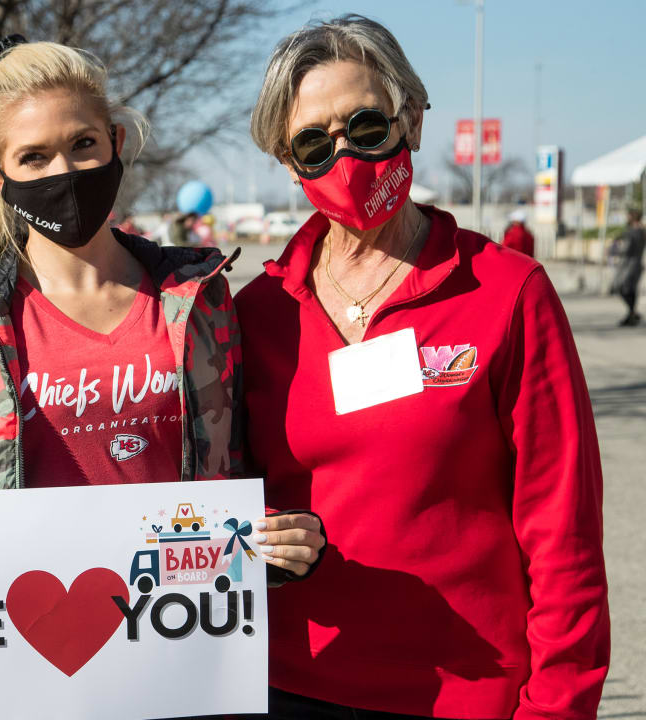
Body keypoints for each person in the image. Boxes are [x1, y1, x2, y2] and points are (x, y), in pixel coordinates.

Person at [0, 36, 324, 624]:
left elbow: (235, 480)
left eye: (83, 144)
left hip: (182, 661)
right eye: (34, 157)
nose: (66, 171)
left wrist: (283, 542)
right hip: (19, 659)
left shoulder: (198, 299)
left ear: (116, 142)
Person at [237, 14, 608, 720]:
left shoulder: (506, 292)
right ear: (289, 165)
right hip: (290, 686)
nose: (344, 159)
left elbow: (564, 534)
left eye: (365, 127)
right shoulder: (256, 314)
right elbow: (223, 492)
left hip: (469, 696)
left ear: (410, 117)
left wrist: (558, 706)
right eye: (313, 145)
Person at [609, 207, 644, 326]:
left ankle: (632, 313)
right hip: (638, 263)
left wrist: (615, 250)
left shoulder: (631, 232)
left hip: (628, 264)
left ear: (632, 217)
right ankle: (631, 315)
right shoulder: (642, 231)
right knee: (631, 289)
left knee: (620, 287)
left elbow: (626, 249)